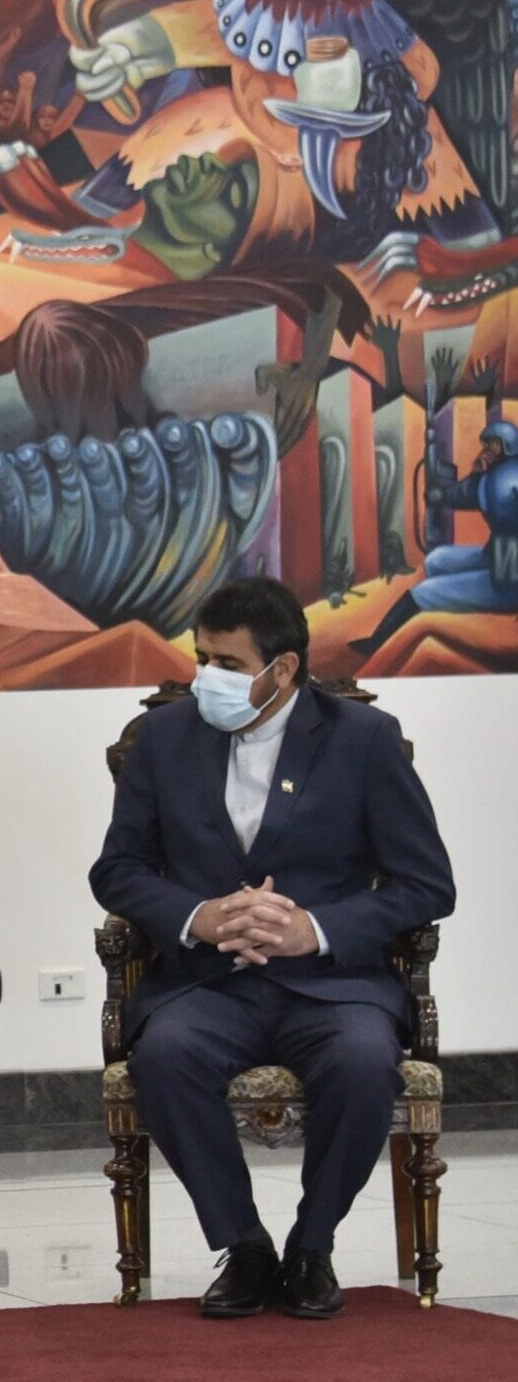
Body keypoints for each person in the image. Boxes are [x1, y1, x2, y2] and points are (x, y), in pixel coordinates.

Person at [90, 578, 454, 1319]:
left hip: (332, 985)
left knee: (361, 1061)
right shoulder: (165, 739)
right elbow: (116, 870)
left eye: (225, 663)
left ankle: (311, 1247)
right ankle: (245, 1248)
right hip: (206, 985)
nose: (206, 678)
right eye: (201, 658)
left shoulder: (363, 742)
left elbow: (427, 885)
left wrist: (311, 929)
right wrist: (200, 915)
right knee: (164, 1058)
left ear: (282, 669)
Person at [355, 419, 518, 654]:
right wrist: (441, 494)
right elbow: (466, 493)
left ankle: (374, 645)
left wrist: (463, 484)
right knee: (436, 560)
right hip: (495, 558)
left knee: (424, 592)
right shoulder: (493, 477)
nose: (487, 451)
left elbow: (486, 498)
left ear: (505, 447)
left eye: (493, 446)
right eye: (488, 445)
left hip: (506, 582)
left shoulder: (503, 479)